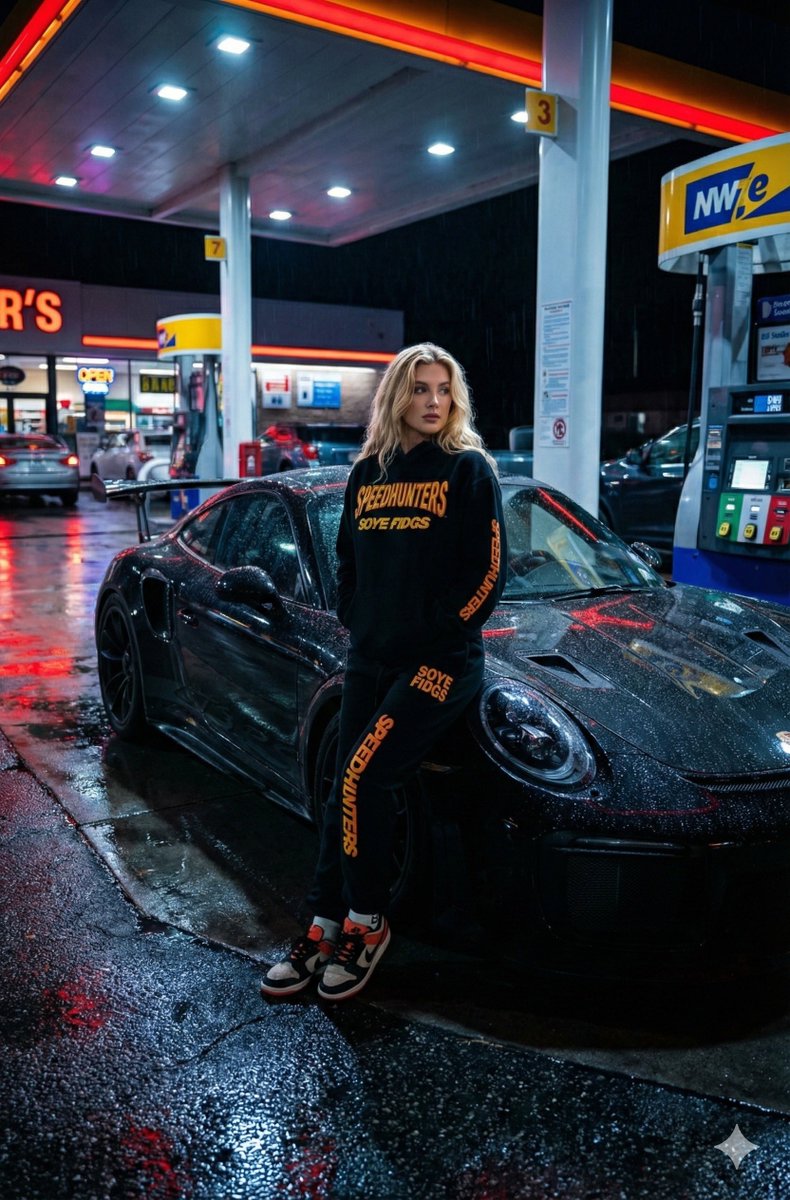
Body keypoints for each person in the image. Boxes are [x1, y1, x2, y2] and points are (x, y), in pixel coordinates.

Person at [260, 342, 507, 1002]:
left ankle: (366, 924)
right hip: (369, 657)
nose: (433, 401)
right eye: (420, 389)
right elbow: (347, 560)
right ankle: (322, 922)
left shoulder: (468, 471)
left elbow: (488, 574)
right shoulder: (368, 472)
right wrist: (359, 619)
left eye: (443, 390)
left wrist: (439, 635)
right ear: (398, 396)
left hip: (440, 666)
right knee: (343, 786)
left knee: (365, 777)